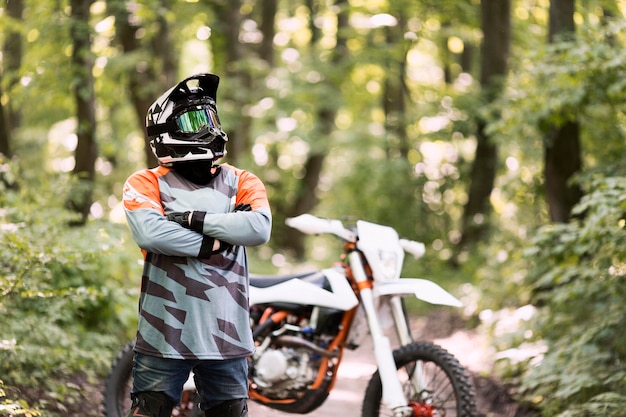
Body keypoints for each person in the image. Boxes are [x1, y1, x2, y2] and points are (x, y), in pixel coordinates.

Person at [122, 73, 272, 417]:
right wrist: (216, 242)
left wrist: (192, 219)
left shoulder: (242, 180)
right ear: (166, 129)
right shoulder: (145, 182)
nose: (209, 127)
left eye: (210, 117)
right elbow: (151, 233)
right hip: (163, 337)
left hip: (228, 338)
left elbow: (259, 228)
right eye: (195, 119)